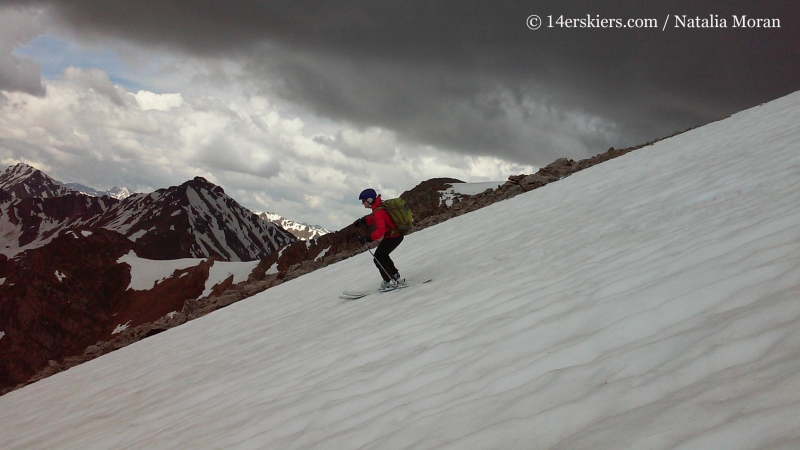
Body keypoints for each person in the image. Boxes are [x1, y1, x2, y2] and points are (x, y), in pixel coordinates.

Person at [353, 188, 404, 290]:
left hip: (393, 236)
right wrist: (364, 221)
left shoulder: (378, 211)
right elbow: (377, 219)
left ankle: (388, 281)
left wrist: (367, 239)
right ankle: (395, 275)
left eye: (363, 201)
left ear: (370, 200)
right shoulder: (379, 207)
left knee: (378, 257)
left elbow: (380, 230)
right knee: (382, 255)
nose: (363, 203)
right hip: (396, 235)